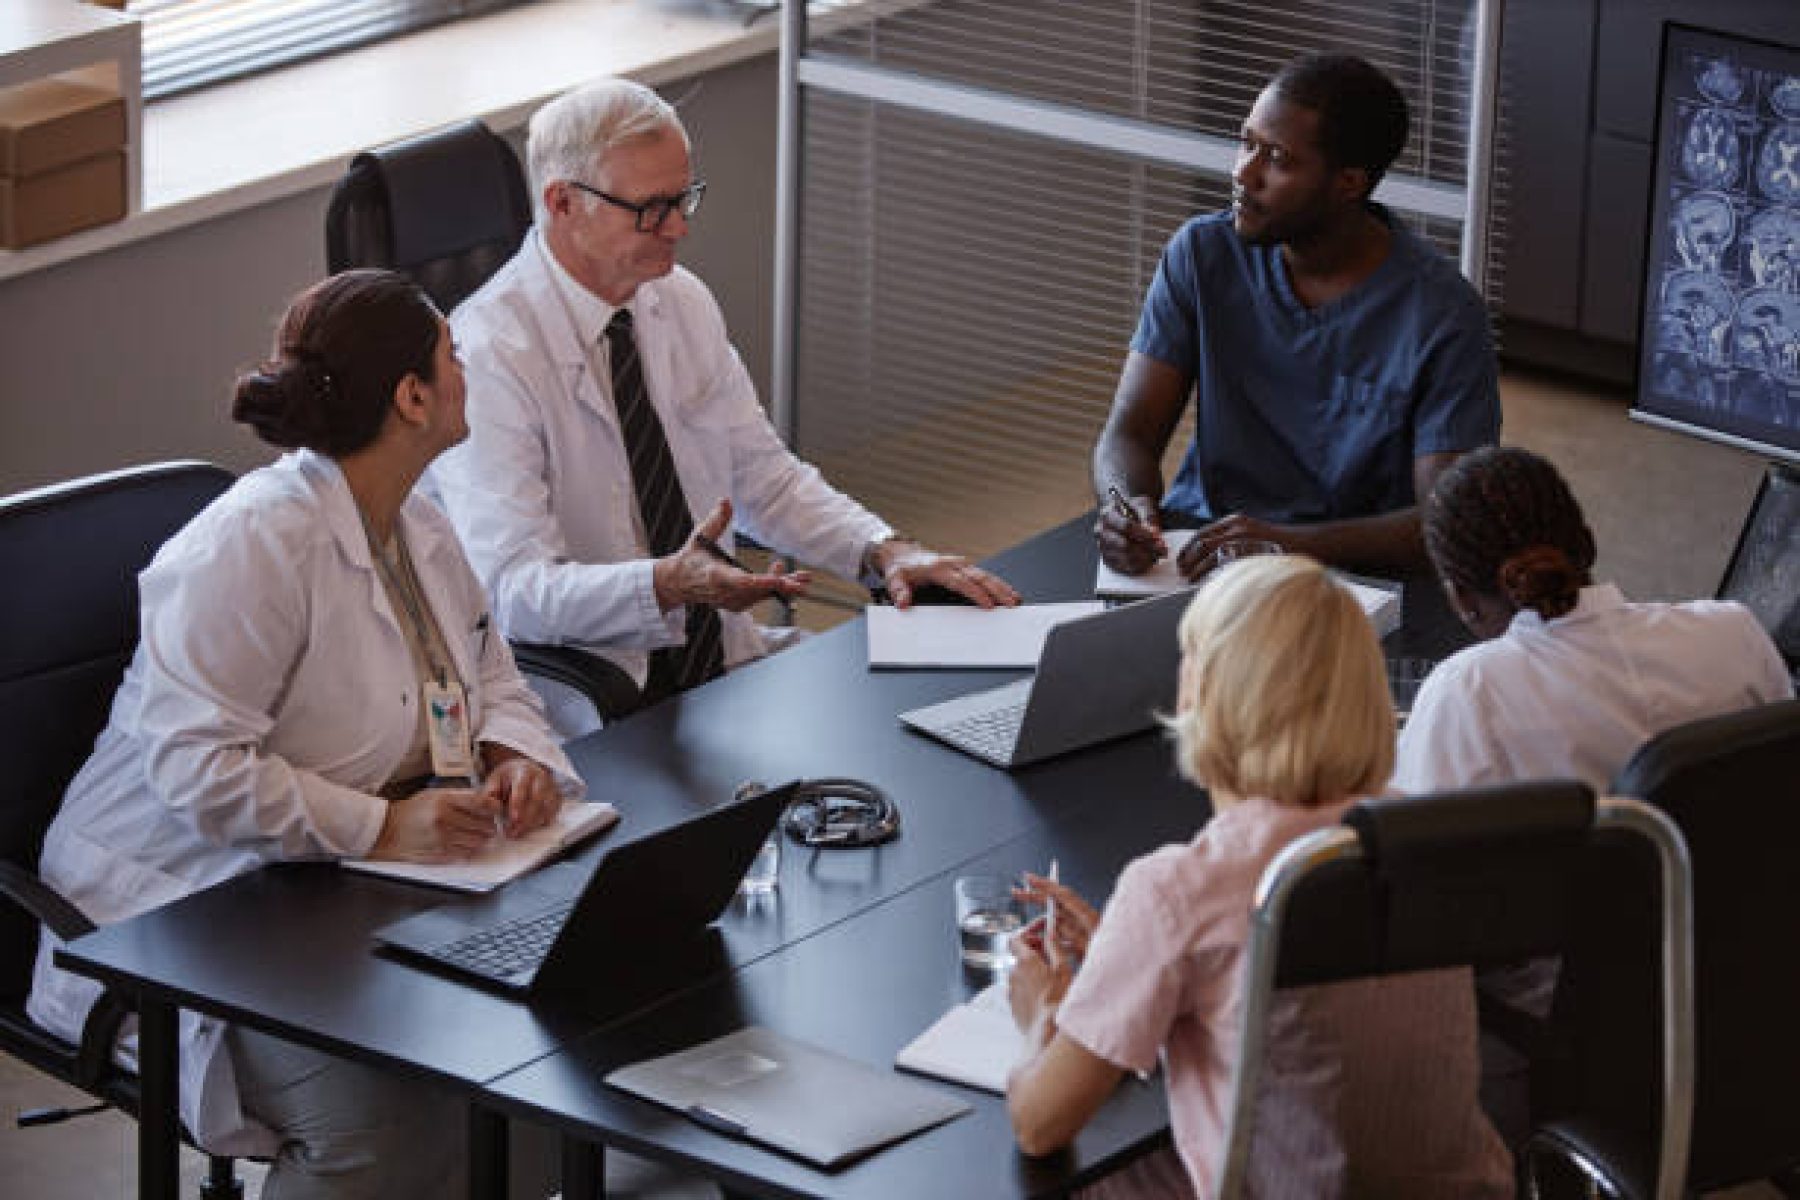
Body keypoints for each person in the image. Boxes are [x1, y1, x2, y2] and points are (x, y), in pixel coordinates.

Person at [28, 270, 582, 1199]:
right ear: (412, 397)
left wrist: (515, 751)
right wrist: (379, 826)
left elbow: (492, 677)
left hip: (334, 894)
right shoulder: (249, 548)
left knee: (534, 1072)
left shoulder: (419, 526)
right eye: (453, 356)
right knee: (387, 1126)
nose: (466, 369)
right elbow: (195, 772)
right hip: (173, 906)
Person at [429, 78, 1019, 738]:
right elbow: (515, 591)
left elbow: (763, 476)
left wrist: (882, 550)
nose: (679, 226)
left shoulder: (678, 300)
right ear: (563, 203)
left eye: (684, 199)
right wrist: (667, 586)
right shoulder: (487, 355)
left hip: (725, 665)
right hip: (603, 701)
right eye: (652, 208)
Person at [1006, 555, 1512, 1197]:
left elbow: (1038, 1124)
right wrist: (1129, 956)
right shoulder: (1427, 835)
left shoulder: (1180, 890)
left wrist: (1041, 1017)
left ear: (1201, 692)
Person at [1093, 53, 1499, 582]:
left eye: (1278, 159)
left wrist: (1288, 545)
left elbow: (1446, 520)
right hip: (1204, 557)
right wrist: (1125, 507)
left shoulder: (1443, 314)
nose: (1244, 173)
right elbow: (1127, 435)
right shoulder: (1202, 254)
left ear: (1348, 183)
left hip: (1356, 579)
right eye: (1247, 143)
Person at [1392, 445, 1792, 795]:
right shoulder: (1734, 632)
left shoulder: (1468, 693)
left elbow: (1412, 859)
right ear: (1587, 544)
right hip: (1741, 879)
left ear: (1461, 599)